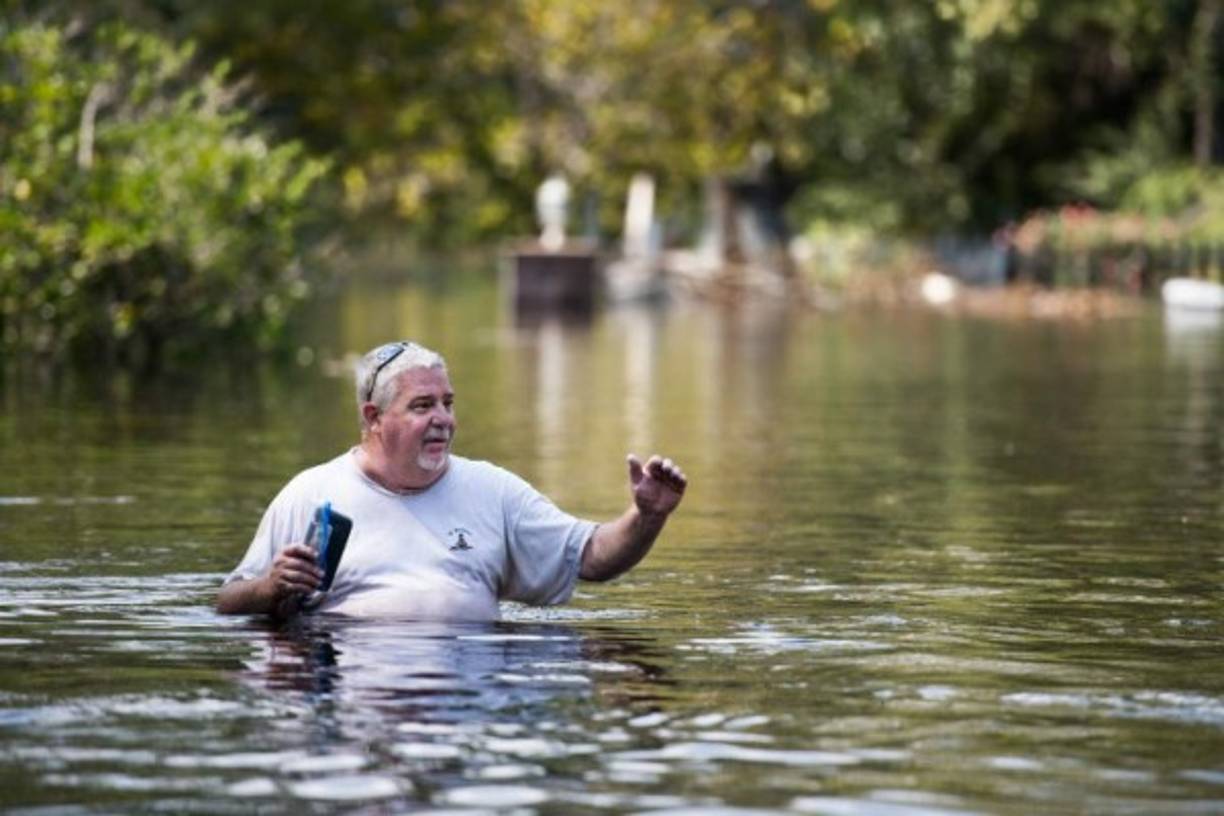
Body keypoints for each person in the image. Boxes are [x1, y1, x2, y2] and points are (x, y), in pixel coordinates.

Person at [216, 340, 687, 620]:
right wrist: (270, 587)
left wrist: (645, 517)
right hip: (349, 689)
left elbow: (592, 557)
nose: (444, 419)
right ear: (373, 417)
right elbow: (228, 601)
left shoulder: (493, 491)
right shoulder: (311, 492)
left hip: (462, 706)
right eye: (423, 406)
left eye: (448, 403)